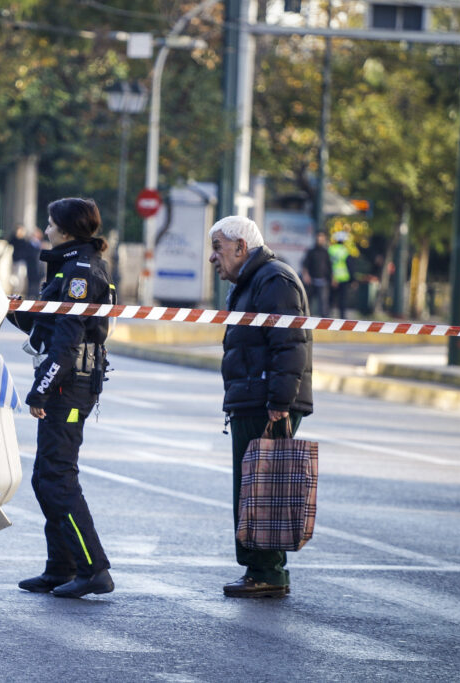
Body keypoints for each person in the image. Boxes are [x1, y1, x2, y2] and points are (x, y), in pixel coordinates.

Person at [9, 197, 114, 599]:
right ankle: (61, 567)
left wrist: (40, 389)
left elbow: (67, 345)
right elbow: (42, 324)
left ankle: (94, 568)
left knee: (57, 476)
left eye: (51, 224)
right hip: (67, 382)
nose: (46, 230)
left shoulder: (79, 273)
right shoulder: (69, 266)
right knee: (45, 477)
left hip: (71, 385)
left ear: (67, 231)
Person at [207, 215, 313, 599]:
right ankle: (262, 569)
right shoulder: (254, 281)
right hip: (256, 398)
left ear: (241, 247)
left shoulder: (273, 280)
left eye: (217, 248)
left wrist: (279, 402)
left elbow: (290, 344)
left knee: (263, 487)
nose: (212, 258)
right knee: (254, 487)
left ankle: (267, 571)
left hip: (266, 401)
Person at [300, 231, 331, 318]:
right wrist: (306, 275)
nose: (319, 240)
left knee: (323, 303)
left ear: (324, 239)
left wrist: (332, 278)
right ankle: (308, 319)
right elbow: (304, 265)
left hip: (323, 282)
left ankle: (324, 322)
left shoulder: (326, 252)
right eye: (318, 238)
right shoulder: (311, 251)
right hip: (311, 281)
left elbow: (330, 267)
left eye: (321, 238)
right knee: (308, 302)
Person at [328, 231, 353, 319]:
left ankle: (328, 317)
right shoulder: (345, 251)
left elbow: (328, 264)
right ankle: (342, 318)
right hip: (343, 278)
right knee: (343, 300)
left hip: (332, 278)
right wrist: (352, 280)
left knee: (331, 299)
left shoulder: (331, 249)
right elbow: (350, 265)